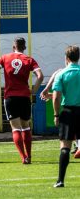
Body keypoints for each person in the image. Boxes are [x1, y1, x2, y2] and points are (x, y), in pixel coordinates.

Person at [0, 37, 43, 164]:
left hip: (10, 97)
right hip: (25, 97)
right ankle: (29, 156)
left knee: (16, 128)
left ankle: (23, 157)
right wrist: (34, 90)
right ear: (24, 48)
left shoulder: (4, 58)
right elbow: (40, 76)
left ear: (13, 47)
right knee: (26, 127)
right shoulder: (29, 60)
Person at [52, 45, 80, 187]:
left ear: (67, 58)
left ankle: (60, 180)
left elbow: (56, 97)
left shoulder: (61, 74)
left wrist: (56, 114)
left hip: (68, 112)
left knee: (65, 147)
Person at [39, 68, 80, 157]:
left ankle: (76, 147)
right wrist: (49, 93)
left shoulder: (66, 73)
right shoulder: (71, 74)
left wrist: (47, 89)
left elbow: (56, 73)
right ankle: (77, 146)